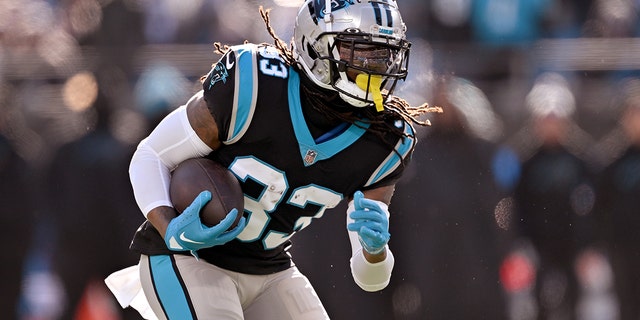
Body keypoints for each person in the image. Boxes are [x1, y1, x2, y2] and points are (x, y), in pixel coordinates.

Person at [107, 1, 435, 319]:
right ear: (315, 45)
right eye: (358, 50)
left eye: (382, 53)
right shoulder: (256, 85)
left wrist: (376, 251)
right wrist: (169, 228)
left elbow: (370, 279)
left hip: (270, 268)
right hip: (188, 257)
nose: (374, 65)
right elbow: (151, 155)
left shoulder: (384, 139)